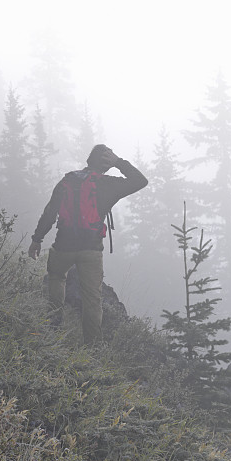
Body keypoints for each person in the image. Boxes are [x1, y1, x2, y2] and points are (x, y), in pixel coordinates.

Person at [28, 144, 148, 345]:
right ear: (106, 165)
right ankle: (92, 347)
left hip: (63, 246)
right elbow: (140, 181)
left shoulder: (67, 180)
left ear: (88, 160)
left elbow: (50, 212)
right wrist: (119, 162)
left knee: (57, 279)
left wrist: (37, 239)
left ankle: (53, 328)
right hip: (90, 250)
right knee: (92, 298)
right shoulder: (108, 184)